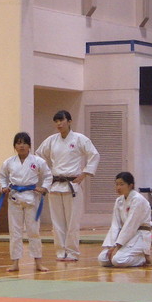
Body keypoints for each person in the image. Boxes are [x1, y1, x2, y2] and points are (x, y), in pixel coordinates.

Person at [35, 110, 100, 261]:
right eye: (56, 121)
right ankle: (60, 251)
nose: (59, 124)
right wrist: (46, 173)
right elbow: (38, 156)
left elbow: (94, 155)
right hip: (55, 184)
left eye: (61, 120)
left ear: (69, 121)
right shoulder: (51, 140)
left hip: (72, 184)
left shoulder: (79, 139)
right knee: (57, 222)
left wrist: (84, 173)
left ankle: (72, 252)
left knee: (72, 222)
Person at [0, 132, 52, 273]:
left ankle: (38, 262)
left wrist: (44, 188)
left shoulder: (38, 161)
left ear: (29, 145)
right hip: (14, 197)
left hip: (32, 197)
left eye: (24, 143)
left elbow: (47, 175)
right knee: (15, 232)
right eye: (18, 143)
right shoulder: (9, 162)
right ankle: (15, 262)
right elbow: (2, 176)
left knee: (33, 231)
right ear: (15, 146)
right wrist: (4, 187)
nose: (21, 146)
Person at [98, 172, 152, 267]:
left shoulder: (138, 199)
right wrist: (111, 245)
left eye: (121, 184)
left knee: (118, 260)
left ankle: (142, 258)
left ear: (131, 185)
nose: (118, 187)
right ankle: (129, 254)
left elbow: (131, 225)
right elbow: (115, 225)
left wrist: (117, 246)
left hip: (139, 235)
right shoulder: (119, 201)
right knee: (103, 259)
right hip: (125, 235)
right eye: (117, 184)